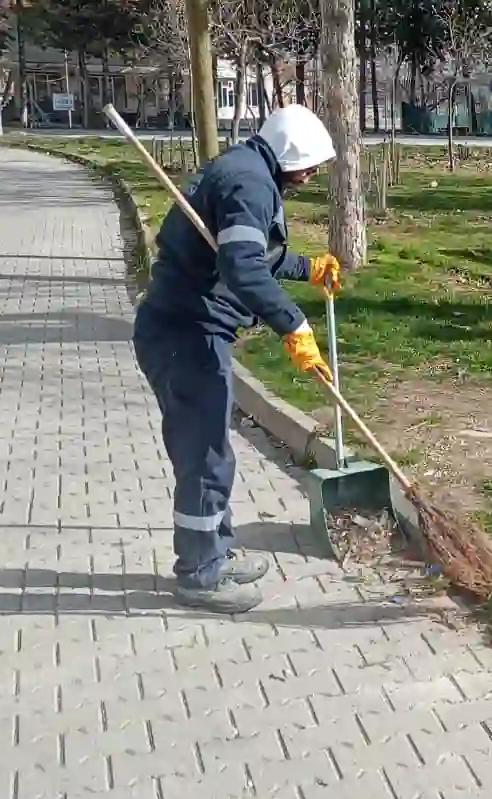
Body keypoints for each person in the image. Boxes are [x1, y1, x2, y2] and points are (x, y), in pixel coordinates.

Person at [133, 105, 341, 614]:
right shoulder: (250, 183)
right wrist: (294, 325)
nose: (311, 176)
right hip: (187, 336)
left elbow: (251, 253)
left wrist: (306, 267)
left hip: (184, 330)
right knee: (205, 457)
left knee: (211, 452)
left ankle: (216, 553)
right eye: (309, 166)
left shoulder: (247, 169)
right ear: (289, 155)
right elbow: (243, 269)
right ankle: (200, 575)